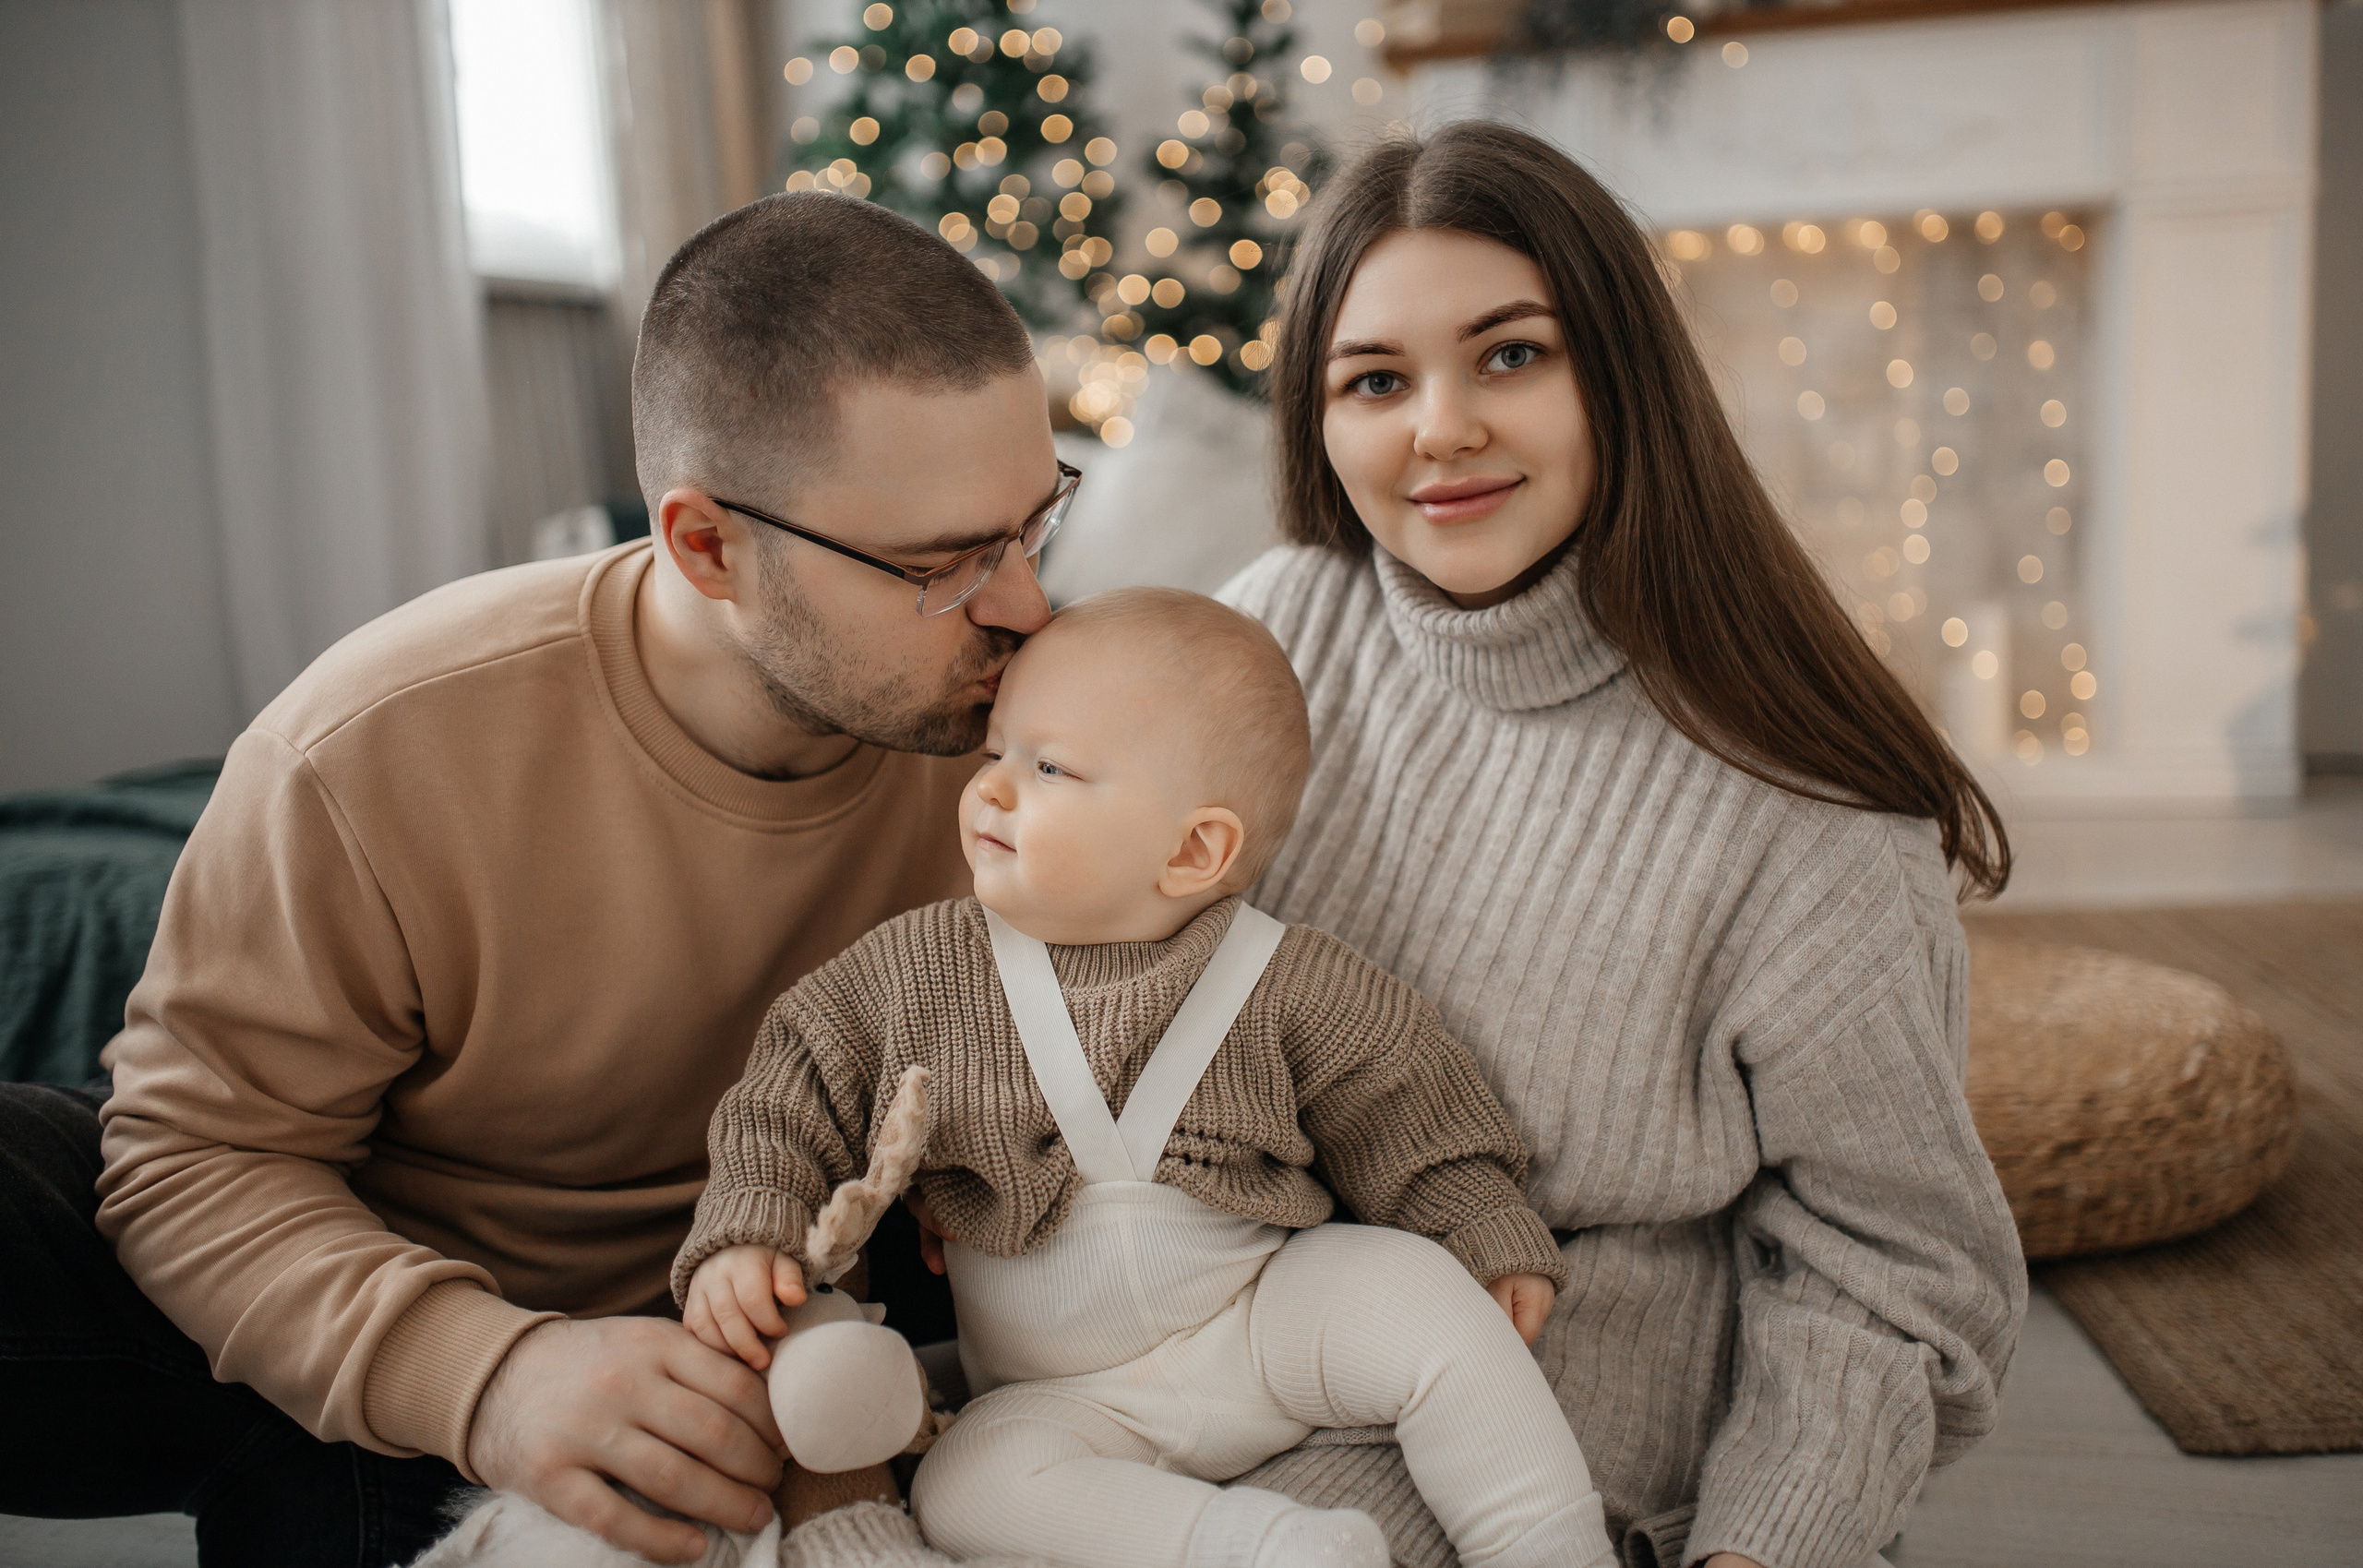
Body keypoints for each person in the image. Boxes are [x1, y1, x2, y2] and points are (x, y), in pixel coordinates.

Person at [0, 191, 1070, 1568]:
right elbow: (192, 1158)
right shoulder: (370, 747)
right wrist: (489, 1375)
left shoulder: (1049, 725)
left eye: (1034, 525)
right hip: (404, 1326)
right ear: (707, 546)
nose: (1025, 606)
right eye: (944, 565)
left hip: (808, 1350)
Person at [1206, 123, 2031, 1568]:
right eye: (1376, 380)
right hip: (1222, 1325)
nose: (1440, 427)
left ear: (1622, 375)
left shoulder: (1804, 803)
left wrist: (1764, 1543)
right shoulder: (1270, 630)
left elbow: (1895, 1265)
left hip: (1548, 1408)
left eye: (1511, 355)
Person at [674, 588, 1617, 1568]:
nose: (992, 789)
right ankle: (1267, 1551)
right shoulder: (914, 972)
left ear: (1193, 850)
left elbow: (1410, 1108)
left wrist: (1477, 1223)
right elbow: (790, 1092)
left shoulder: (1288, 979)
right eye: (995, 752)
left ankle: (1551, 1547)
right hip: (1057, 1396)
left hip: (1259, 1317)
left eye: (1048, 767)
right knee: (964, 1485)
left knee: (1421, 1294)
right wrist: (752, 1227)